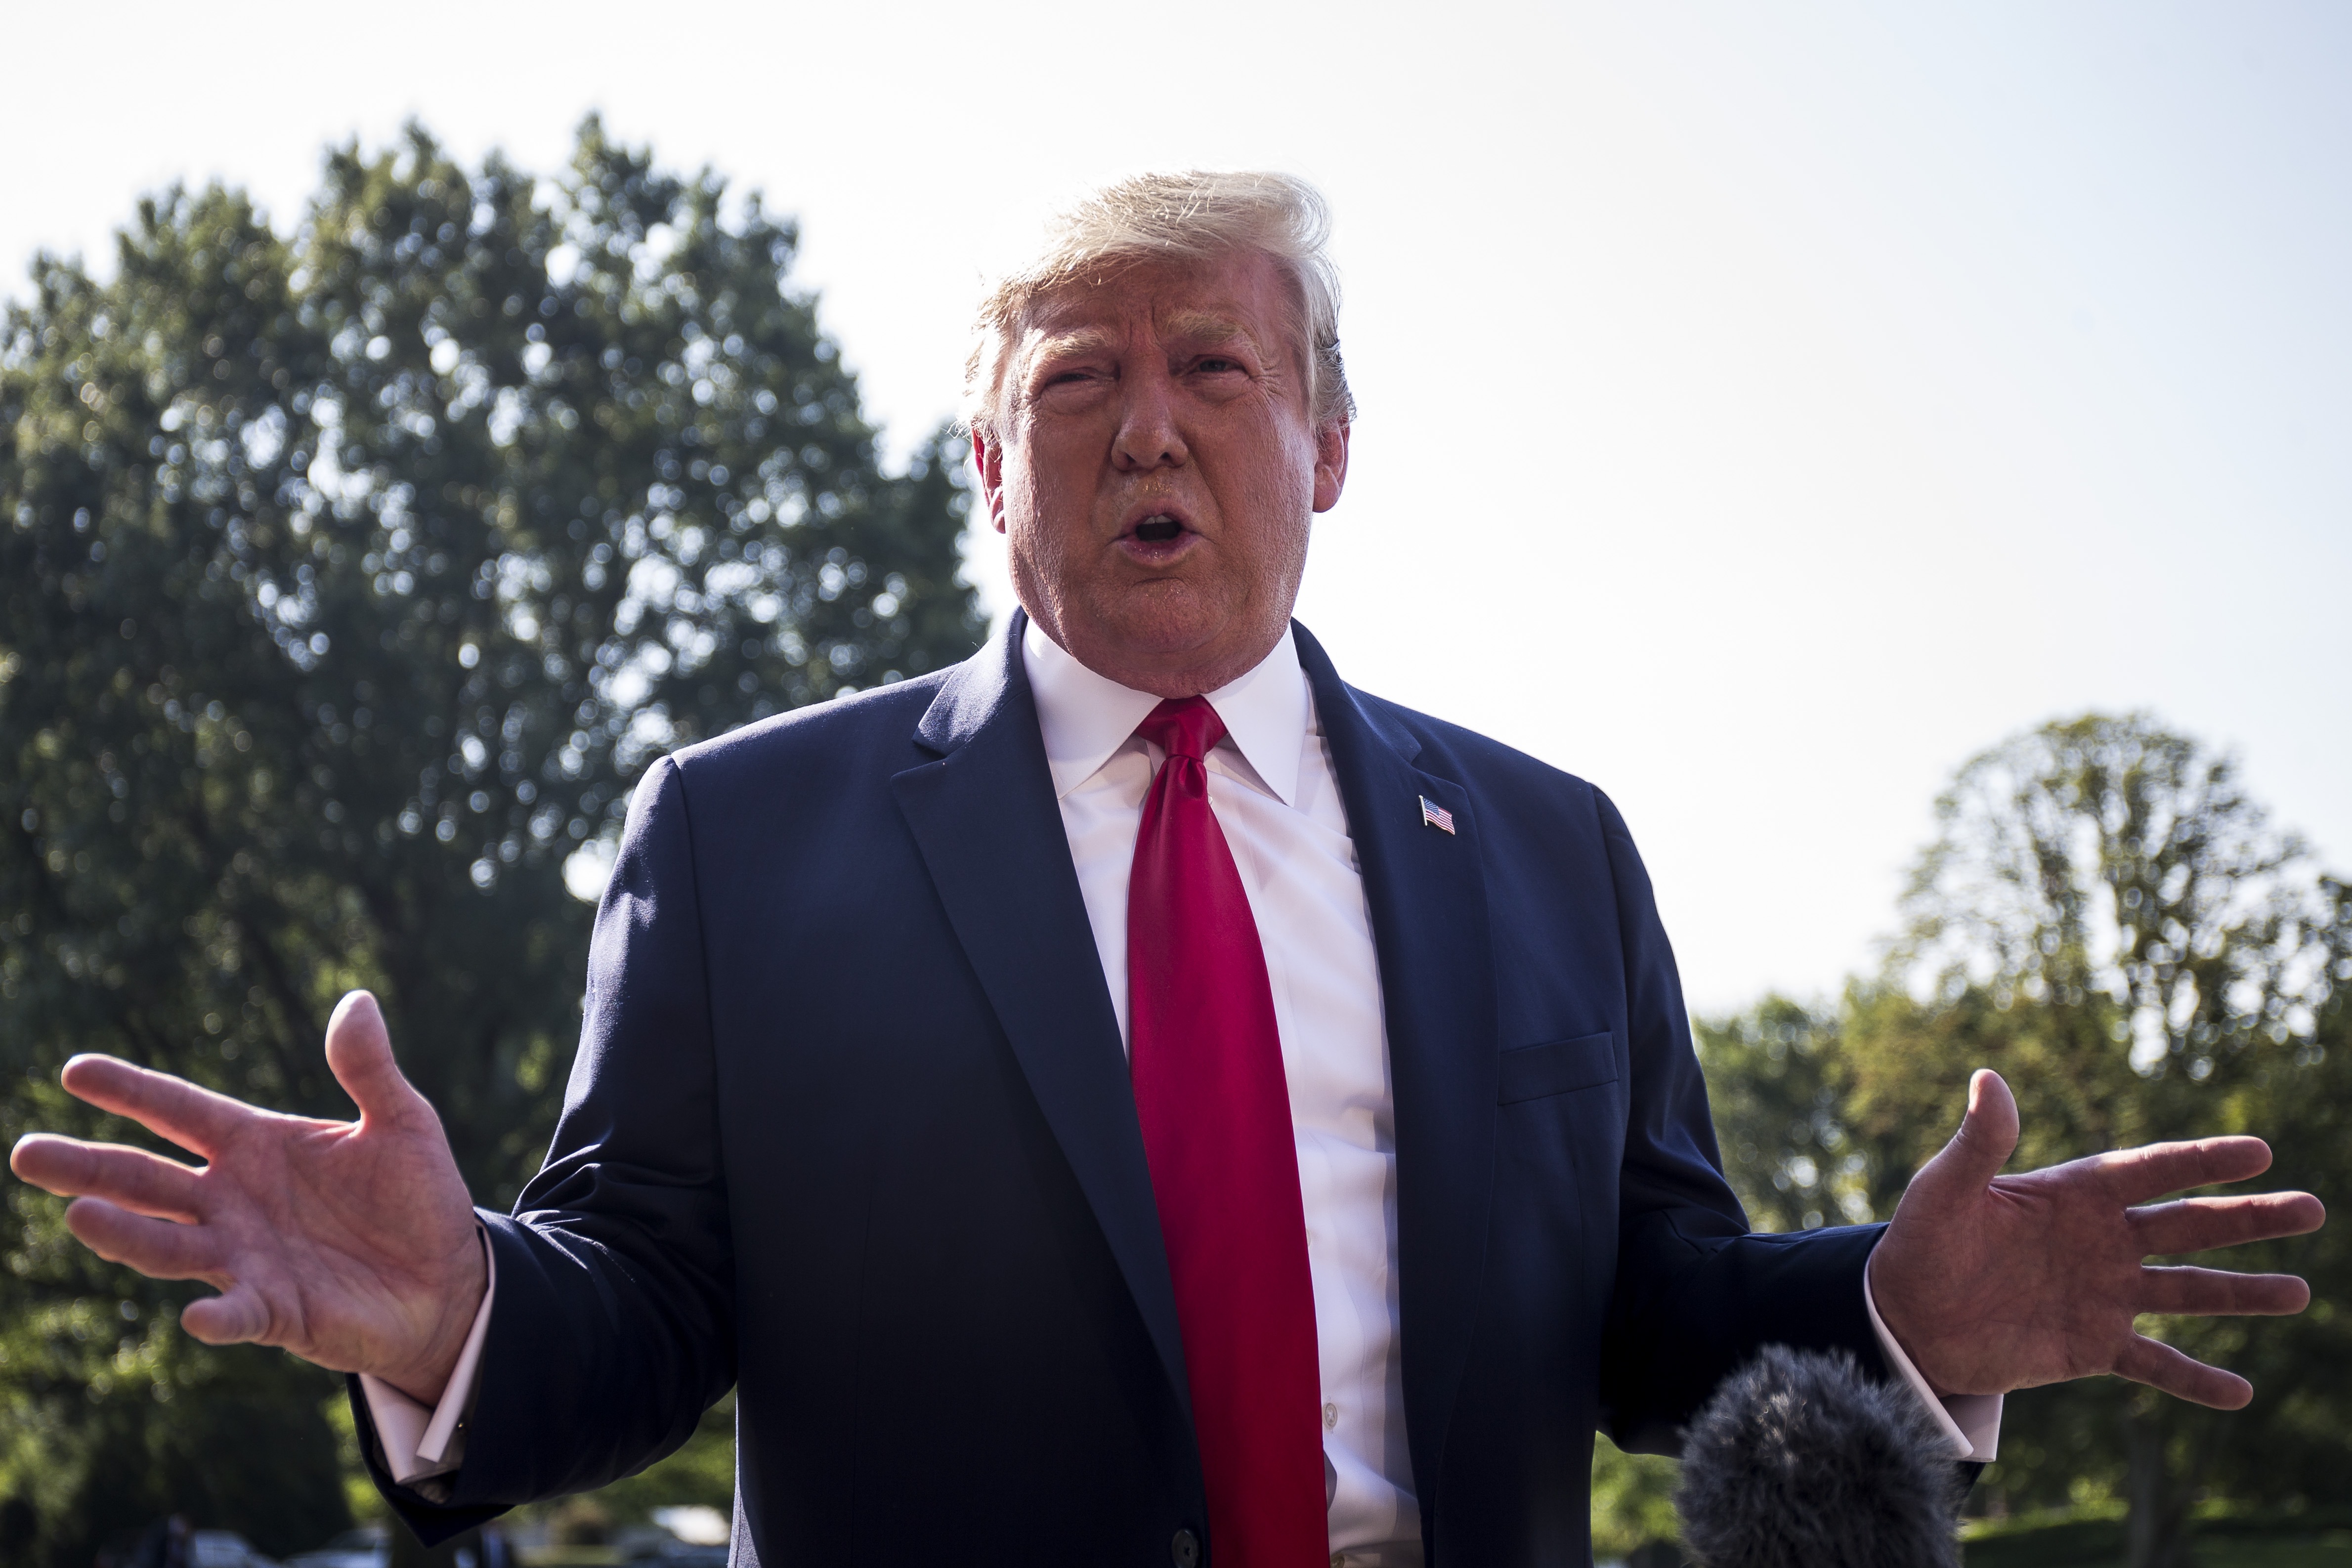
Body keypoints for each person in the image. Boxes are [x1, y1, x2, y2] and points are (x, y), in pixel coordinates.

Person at [11, 172, 2324, 1568]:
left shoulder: (1543, 847)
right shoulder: (740, 831)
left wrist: (1895, 1321)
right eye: (1071, 375)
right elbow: (642, 1292)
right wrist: (455, 1314)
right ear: (985, 468)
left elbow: (1642, 1319)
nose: (1144, 421)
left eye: (1213, 366)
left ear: (1328, 438)